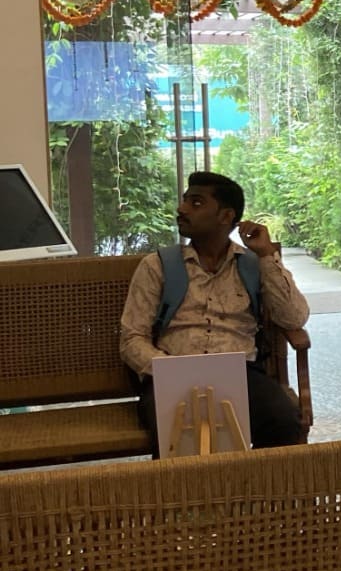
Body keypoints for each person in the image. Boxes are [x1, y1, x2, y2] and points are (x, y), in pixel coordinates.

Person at [120, 171, 310, 451]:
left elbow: (293, 318)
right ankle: (189, 484)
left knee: (282, 420)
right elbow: (132, 337)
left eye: (196, 203)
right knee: (178, 435)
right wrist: (166, 370)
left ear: (226, 216)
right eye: (185, 200)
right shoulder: (158, 265)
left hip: (241, 374)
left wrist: (267, 256)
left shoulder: (253, 264)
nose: (182, 209)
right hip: (172, 375)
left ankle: (261, 482)